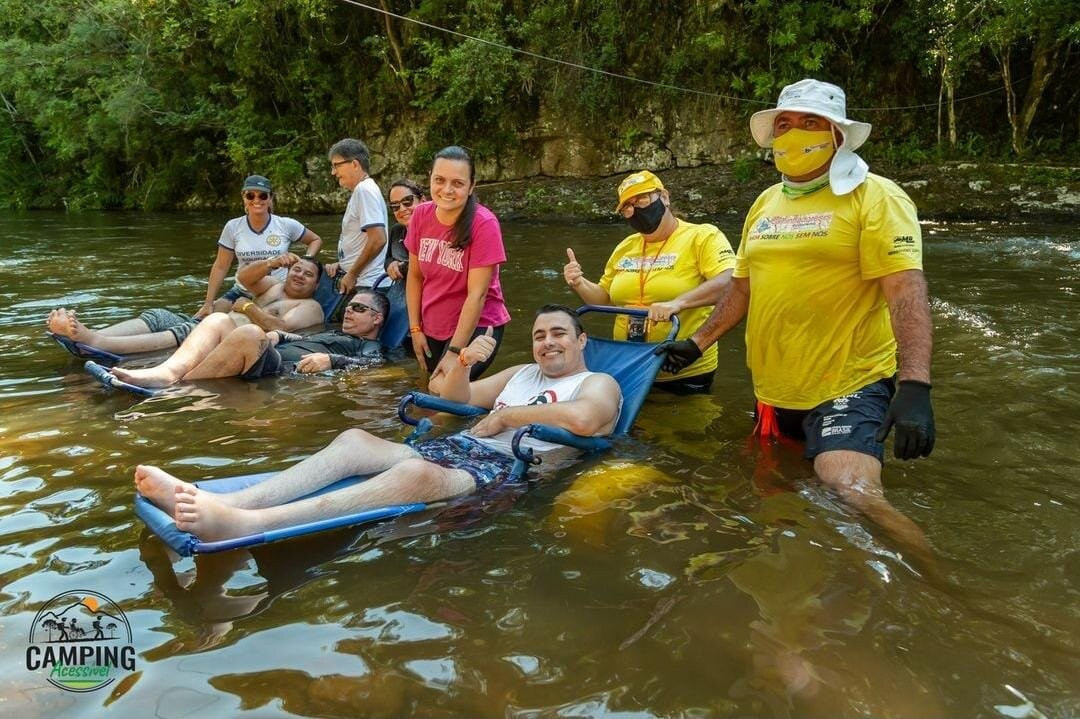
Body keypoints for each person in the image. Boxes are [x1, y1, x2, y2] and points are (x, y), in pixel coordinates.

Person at [658, 79, 936, 559]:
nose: (792, 133)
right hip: (775, 389)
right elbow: (742, 286)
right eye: (784, 124)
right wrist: (697, 342)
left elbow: (905, 290)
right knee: (781, 494)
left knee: (849, 490)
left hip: (850, 381)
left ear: (837, 135)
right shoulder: (765, 204)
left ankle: (944, 587)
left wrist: (914, 386)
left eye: (810, 123)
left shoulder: (876, 197)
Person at [133, 304, 621, 543]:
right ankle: (228, 500)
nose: (547, 342)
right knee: (354, 439)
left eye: (559, 333)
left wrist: (511, 416)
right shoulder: (521, 372)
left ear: (581, 341)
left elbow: (585, 420)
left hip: (506, 473)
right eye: (539, 335)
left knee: (414, 476)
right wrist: (466, 364)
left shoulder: (599, 381)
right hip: (459, 450)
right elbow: (452, 400)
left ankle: (246, 524)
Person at [563, 170, 736, 394]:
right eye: (627, 207)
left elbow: (730, 281)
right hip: (628, 364)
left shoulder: (703, 236)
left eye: (642, 199)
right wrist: (579, 283)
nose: (635, 210)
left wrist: (678, 303)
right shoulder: (625, 247)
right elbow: (604, 298)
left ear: (664, 197)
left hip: (681, 367)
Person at [48, 254, 324, 356]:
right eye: (297, 269)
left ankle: (96, 341)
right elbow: (244, 277)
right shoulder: (274, 286)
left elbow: (284, 328)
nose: (299, 275)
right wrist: (272, 263)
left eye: (308, 274)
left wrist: (247, 308)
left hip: (225, 333)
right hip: (209, 322)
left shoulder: (311, 307)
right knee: (159, 316)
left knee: (182, 332)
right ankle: (95, 332)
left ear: (316, 285)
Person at [104, 290, 388, 389]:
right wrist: (281, 334)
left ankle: (177, 386)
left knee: (250, 332)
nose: (349, 310)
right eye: (349, 306)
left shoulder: (368, 345)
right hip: (269, 353)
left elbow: (377, 365)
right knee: (218, 319)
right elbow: (303, 339)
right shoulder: (337, 332)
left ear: (377, 319)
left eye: (359, 308)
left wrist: (332, 360)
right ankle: (167, 373)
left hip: (277, 368)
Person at [405, 146, 511, 381]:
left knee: (444, 393)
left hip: (479, 328)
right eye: (439, 180)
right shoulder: (421, 215)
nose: (447, 190)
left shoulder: (484, 224)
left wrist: (455, 352)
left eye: (458, 183)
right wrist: (415, 329)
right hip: (433, 324)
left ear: (471, 186)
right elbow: (414, 276)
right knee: (430, 393)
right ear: (429, 179)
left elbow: (477, 295)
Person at [196, 175, 322, 319]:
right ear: (243, 197)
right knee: (204, 319)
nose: (256, 200)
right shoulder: (232, 227)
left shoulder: (286, 224)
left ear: (270, 198)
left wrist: (304, 261)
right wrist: (208, 302)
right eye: (250, 195)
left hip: (275, 291)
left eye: (262, 196)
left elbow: (315, 240)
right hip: (242, 290)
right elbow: (220, 266)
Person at [325, 139, 388, 296]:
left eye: (336, 165)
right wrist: (344, 264)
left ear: (354, 164)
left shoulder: (364, 190)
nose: (333, 172)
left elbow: (378, 239)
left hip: (367, 284)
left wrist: (352, 274)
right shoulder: (363, 190)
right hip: (363, 280)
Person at [384, 178, 425, 282]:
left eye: (407, 201)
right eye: (395, 206)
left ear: (423, 200)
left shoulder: (436, 231)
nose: (402, 209)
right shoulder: (396, 230)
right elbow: (388, 258)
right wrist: (391, 264)